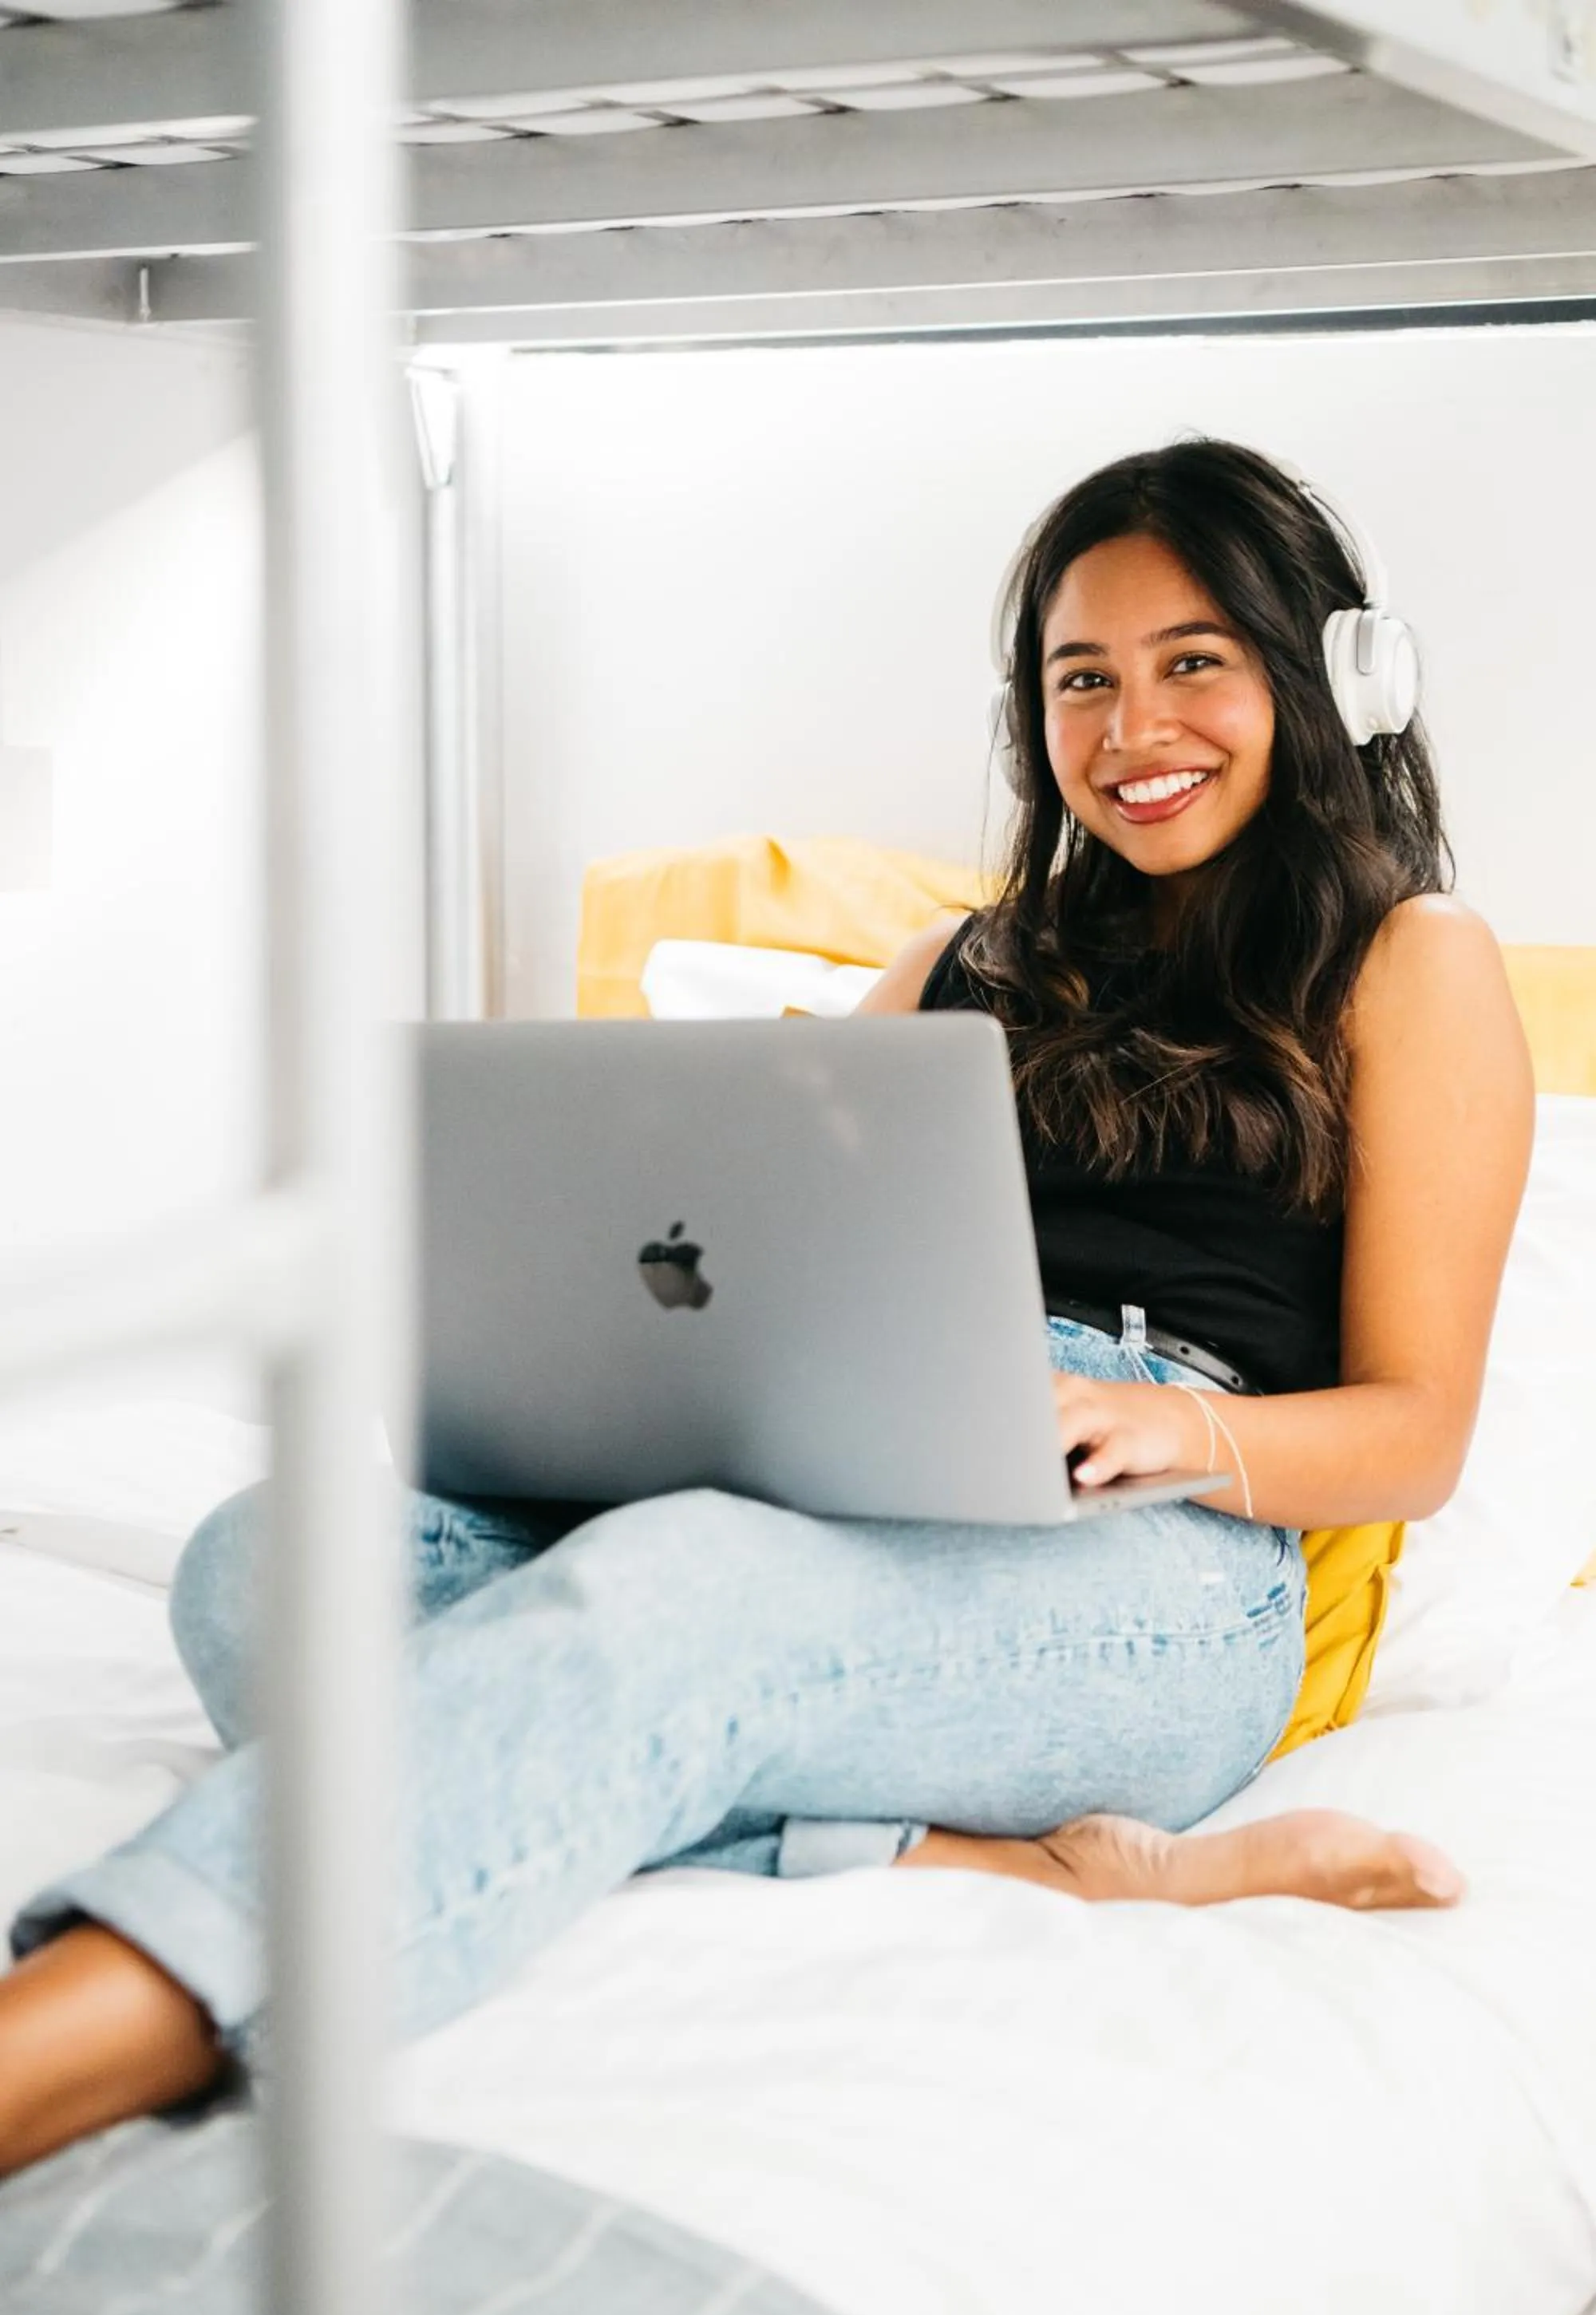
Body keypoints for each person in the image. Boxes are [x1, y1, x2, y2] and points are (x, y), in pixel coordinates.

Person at [0, 437, 1534, 2178]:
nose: (1130, 729)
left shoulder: (1413, 962)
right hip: (831, 1482)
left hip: (1161, 1553)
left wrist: (1174, 1423)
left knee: (678, 1598)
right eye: (1078, 679)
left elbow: (1411, 1437)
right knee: (263, 1564)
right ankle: (975, 1860)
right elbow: (736, 1246)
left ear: (1331, 679)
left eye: (1195, 664)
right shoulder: (965, 966)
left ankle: (80, 2029)